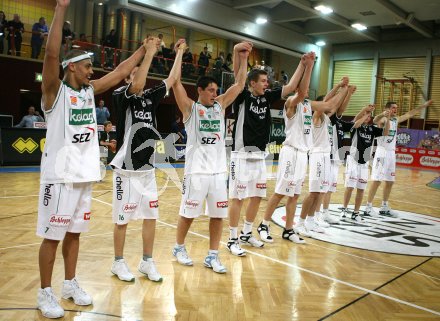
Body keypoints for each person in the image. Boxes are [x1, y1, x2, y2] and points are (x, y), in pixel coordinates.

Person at [36, 0, 149, 318]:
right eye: (87, 66)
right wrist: (61, 8)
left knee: (74, 234)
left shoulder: (88, 92)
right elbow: (51, 55)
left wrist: (142, 50)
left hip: (85, 175)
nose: (92, 70)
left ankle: (69, 283)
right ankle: (45, 292)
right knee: (52, 237)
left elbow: (120, 72)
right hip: (59, 177)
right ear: (72, 66)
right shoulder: (53, 91)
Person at [109, 37, 186, 282]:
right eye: (135, 72)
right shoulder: (122, 95)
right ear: (127, 78)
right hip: (126, 169)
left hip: (147, 168)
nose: (140, 76)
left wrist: (180, 52)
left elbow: (173, 79)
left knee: (151, 216)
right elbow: (139, 80)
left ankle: (147, 261)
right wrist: (149, 52)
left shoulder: (151, 96)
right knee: (122, 219)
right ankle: (118, 262)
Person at [227, 51, 318, 256]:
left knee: (257, 196)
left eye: (267, 81)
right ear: (252, 83)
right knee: (238, 199)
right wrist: (240, 56)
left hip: (260, 155)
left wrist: (303, 64)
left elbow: (292, 87)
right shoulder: (242, 97)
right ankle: (232, 239)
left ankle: (247, 232)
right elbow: (239, 78)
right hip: (241, 154)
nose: (266, 84)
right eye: (262, 81)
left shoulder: (267, 97)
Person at [171, 41, 251, 273]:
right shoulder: (190, 109)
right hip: (196, 172)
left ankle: (212, 255)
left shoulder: (220, 106)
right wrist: (179, 53)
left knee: (217, 216)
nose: (216, 94)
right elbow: (175, 82)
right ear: (200, 91)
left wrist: (243, 57)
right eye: (211, 90)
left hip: (217, 172)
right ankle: (178, 247)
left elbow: (240, 83)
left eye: (217, 90)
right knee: (188, 214)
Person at [258, 54, 347, 244]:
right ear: (299, 89)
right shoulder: (291, 103)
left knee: (295, 194)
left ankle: (289, 229)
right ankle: (264, 224)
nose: (307, 92)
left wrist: (344, 89)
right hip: (290, 152)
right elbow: (302, 89)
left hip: (303, 155)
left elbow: (330, 104)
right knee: (281, 191)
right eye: (304, 90)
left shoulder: (308, 105)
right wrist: (310, 66)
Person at [294, 83, 348, 237]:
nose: (330, 106)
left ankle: (311, 221)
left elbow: (333, 103)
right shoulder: (317, 115)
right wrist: (341, 88)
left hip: (325, 156)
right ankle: (300, 223)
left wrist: (340, 88)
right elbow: (329, 101)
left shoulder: (326, 117)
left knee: (319, 193)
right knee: (313, 193)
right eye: (325, 104)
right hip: (317, 155)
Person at [365, 100, 433, 217]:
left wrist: (424, 106)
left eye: (396, 108)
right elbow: (375, 119)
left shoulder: (395, 120)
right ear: (387, 109)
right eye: (393, 108)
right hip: (382, 152)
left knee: (390, 181)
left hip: (391, 153)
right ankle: (368, 207)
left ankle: (384, 206)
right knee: (376, 180)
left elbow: (410, 114)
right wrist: (383, 114)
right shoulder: (384, 119)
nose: (395, 110)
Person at [341, 105, 390, 221]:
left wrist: (387, 118)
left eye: (368, 116)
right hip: (353, 160)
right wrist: (365, 112)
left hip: (364, 162)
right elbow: (357, 123)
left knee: (361, 189)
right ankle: (344, 209)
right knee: (349, 187)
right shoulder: (356, 127)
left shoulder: (372, 129)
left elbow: (386, 132)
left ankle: (356, 213)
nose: (367, 117)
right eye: (365, 115)